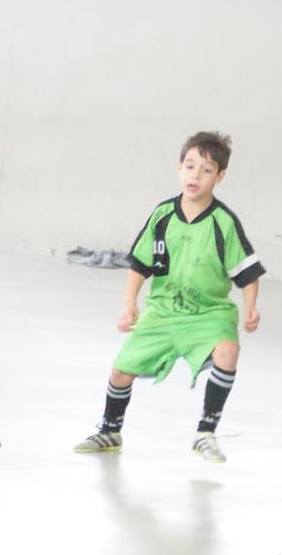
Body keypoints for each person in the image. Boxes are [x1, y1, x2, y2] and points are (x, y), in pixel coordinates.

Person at [73, 131, 264, 463]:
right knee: (121, 371)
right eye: (189, 166)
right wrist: (129, 304)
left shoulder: (223, 222)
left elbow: (247, 272)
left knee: (228, 351)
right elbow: (139, 265)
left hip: (209, 313)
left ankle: (205, 432)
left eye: (206, 170)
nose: (195, 175)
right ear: (178, 168)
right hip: (163, 312)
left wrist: (250, 307)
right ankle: (110, 430)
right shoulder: (162, 216)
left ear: (220, 177)